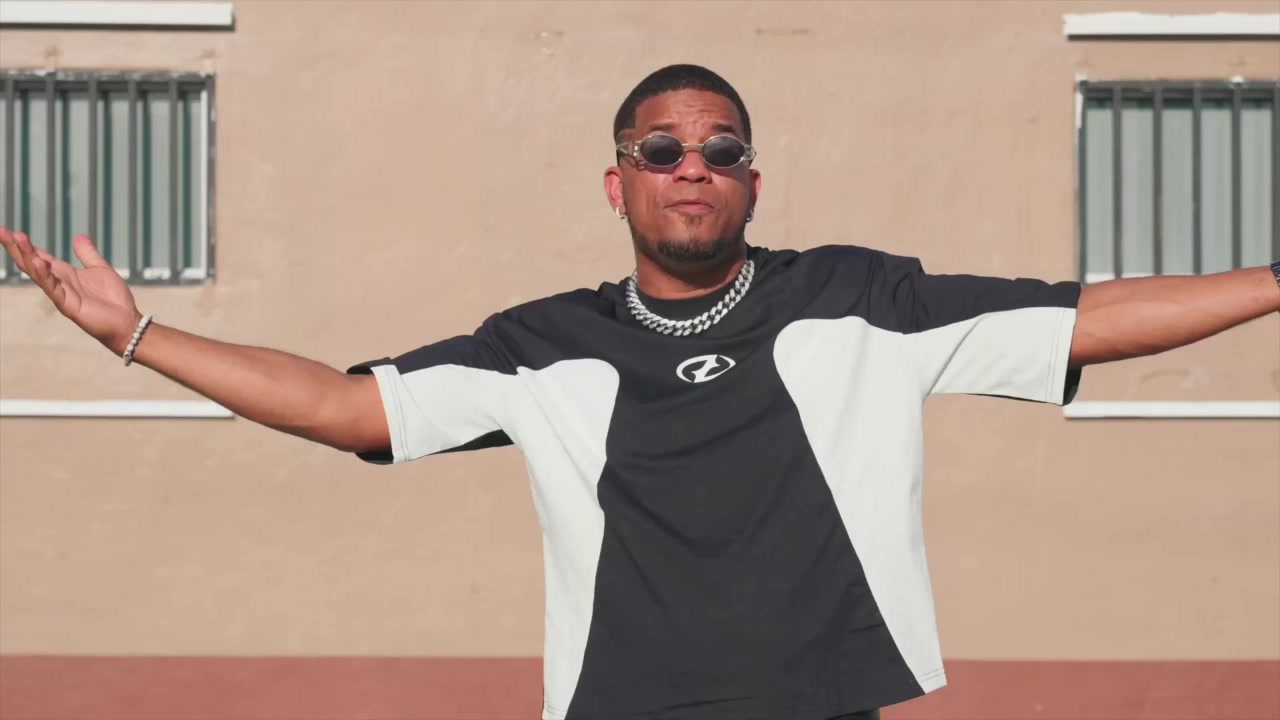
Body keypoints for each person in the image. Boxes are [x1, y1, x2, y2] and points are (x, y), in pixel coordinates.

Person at [1, 63, 1278, 720]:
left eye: (721, 149)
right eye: (660, 149)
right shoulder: (540, 345)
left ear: (752, 181)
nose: (691, 166)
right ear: (617, 183)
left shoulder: (857, 298)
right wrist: (140, 334)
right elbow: (344, 407)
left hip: (822, 708)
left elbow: (1086, 316)